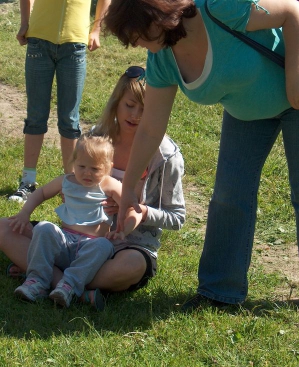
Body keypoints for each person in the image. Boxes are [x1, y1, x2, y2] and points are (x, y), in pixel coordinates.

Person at [102, 0, 299, 309]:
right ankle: (220, 293)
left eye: (137, 33)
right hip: (247, 113)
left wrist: (295, 77)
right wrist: (128, 191)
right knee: (228, 196)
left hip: (296, 98)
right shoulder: (162, 58)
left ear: (158, 17)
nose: (136, 43)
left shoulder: (219, 8)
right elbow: (151, 129)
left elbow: (292, 11)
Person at [0, 66, 186, 308]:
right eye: (130, 105)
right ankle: (70, 285)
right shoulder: (97, 138)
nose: (136, 115)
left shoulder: (166, 156)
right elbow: (70, 179)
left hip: (124, 245)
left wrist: (140, 210)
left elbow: (177, 217)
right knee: (5, 228)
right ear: (117, 101)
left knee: (132, 266)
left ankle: (45, 275)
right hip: (74, 237)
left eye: (146, 109)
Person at [10, 134, 141, 308]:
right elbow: (41, 193)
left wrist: (124, 230)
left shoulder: (109, 184)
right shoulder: (67, 180)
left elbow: (133, 208)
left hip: (91, 247)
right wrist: (24, 213)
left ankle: (68, 286)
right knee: (44, 228)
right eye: (81, 166)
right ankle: (36, 281)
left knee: (104, 245)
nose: (87, 173)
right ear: (73, 162)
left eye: (95, 169)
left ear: (108, 168)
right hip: (64, 241)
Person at [9, 0, 111, 203]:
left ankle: (70, 183)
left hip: (74, 44)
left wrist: (96, 29)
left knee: (70, 118)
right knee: (36, 115)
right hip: (39, 40)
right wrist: (24, 22)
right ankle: (27, 182)